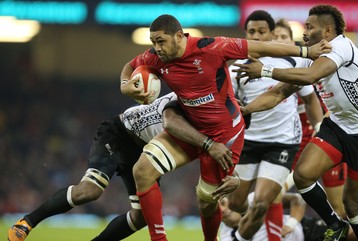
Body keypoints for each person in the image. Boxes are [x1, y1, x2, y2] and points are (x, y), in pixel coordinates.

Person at [119, 14, 330, 241]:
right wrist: (125, 87)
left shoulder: (212, 47)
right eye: (153, 42)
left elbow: (260, 48)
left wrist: (307, 52)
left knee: (207, 201)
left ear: (179, 36)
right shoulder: (156, 57)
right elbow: (130, 67)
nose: (156, 48)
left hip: (225, 138)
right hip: (190, 130)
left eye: (161, 41)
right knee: (141, 170)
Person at [233, 4, 358, 241]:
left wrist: (265, 70)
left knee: (352, 205)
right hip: (337, 127)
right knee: (303, 175)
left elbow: (312, 76)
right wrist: (246, 109)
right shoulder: (310, 57)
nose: (304, 31)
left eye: (309, 26)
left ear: (327, 31)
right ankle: (334, 224)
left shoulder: (342, 46)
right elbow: (279, 93)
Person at [7, 92, 239, 241]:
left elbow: (224, 152)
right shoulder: (184, 102)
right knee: (90, 191)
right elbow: (177, 127)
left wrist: (234, 175)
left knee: (142, 216)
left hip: (143, 151)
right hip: (118, 134)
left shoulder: (213, 122)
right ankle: (27, 222)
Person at [227, 11, 323, 241]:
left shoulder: (292, 64)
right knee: (236, 204)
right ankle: (248, 233)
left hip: (281, 143)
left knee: (260, 203)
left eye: (262, 31)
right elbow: (229, 107)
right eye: (252, 32)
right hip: (248, 142)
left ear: (271, 33)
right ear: (245, 35)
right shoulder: (236, 69)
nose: (257, 36)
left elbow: (310, 99)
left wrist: (319, 128)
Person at [274, 18, 348, 219]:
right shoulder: (270, 72)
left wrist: (322, 126)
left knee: (339, 207)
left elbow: (336, 103)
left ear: (292, 41)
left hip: (324, 140)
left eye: (284, 37)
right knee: (271, 196)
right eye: (275, 38)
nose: (279, 41)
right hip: (293, 146)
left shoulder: (309, 66)